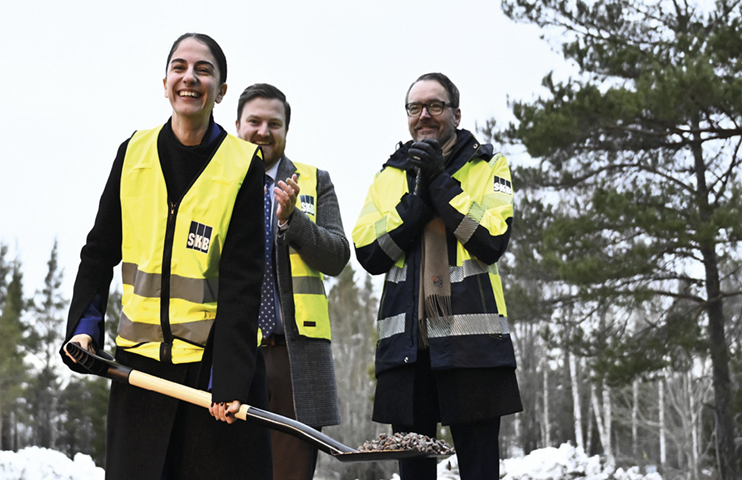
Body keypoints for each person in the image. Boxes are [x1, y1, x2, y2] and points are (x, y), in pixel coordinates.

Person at [60, 33, 271, 480]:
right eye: (179, 67)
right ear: (165, 82)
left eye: (203, 70)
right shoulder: (133, 153)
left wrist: (229, 380)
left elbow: (243, 280)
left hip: (211, 374)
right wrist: (83, 330)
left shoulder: (242, 165)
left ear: (222, 90)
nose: (189, 78)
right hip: (138, 371)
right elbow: (98, 253)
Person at [351, 72, 522, 480]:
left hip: (473, 348)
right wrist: (415, 202)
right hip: (406, 351)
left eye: (435, 106)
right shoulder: (388, 175)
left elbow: (492, 240)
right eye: (415, 107)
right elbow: (370, 253)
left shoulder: (489, 164)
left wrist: (440, 183)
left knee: (480, 470)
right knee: (414, 473)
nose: (424, 115)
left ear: (456, 114)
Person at [234, 83, 348, 480]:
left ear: (286, 130)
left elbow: (336, 257)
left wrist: (291, 220)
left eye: (274, 123)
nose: (264, 131)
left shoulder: (316, 181)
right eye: (255, 121)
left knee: (291, 473)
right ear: (237, 125)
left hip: (295, 355)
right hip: (232, 351)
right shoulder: (214, 182)